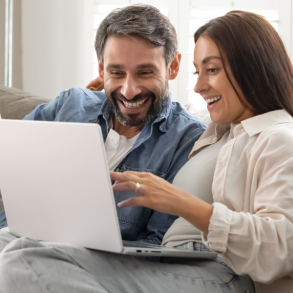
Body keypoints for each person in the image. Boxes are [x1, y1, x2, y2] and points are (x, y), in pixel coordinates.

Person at [1, 9, 293, 293]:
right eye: (199, 70)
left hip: (202, 266)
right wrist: (98, 98)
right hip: (176, 261)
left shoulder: (268, 137)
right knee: (12, 246)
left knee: (24, 256)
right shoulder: (222, 131)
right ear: (102, 69)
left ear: (252, 67)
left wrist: (181, 202)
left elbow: (282, 246)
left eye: (212, 70)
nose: (198, 86)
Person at [0, 5, 206, 244]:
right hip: (10, 238)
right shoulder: (70, 104)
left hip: (86, 265)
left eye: (145, 73)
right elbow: (10, 157)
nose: (129, 91)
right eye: (116, 73)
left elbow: (157, 245)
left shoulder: (187, 140)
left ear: (173, 66)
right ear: (101, 68)